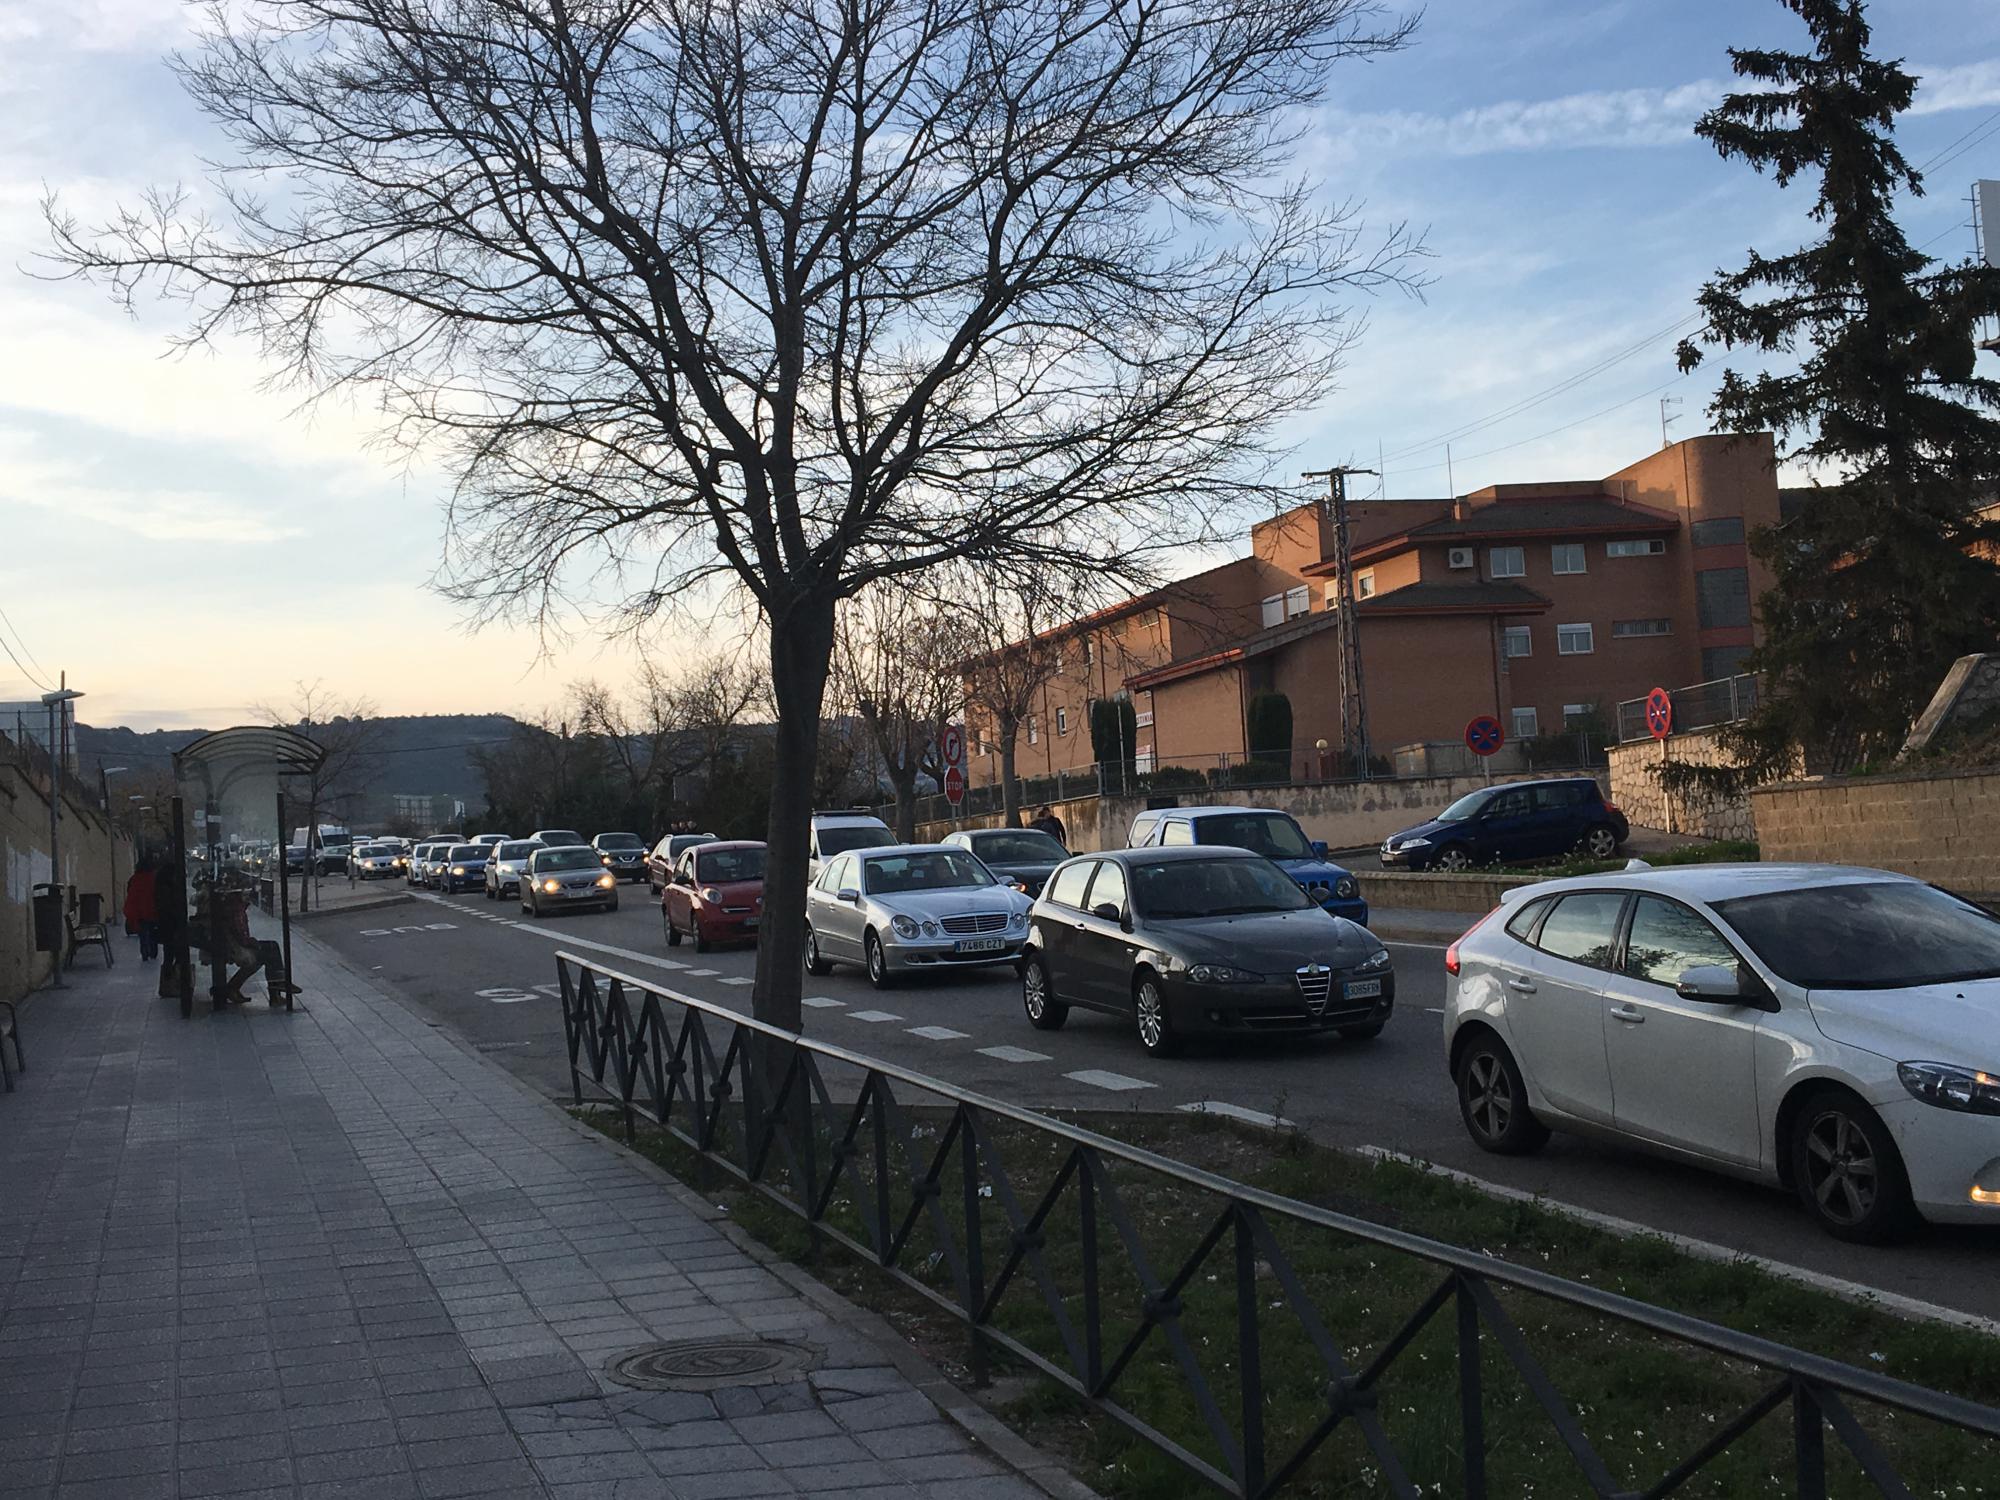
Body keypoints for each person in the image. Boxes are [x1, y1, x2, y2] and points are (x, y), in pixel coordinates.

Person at [154, 853, 189, 1000]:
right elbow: (169, 907)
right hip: (170, 925)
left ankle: (170, 982)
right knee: (173, 954)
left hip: (167, 925)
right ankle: (171, 983)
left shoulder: (162, 887)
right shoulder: (167, 890)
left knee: (170, 954)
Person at [125, 855, 160, 962]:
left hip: (139, 911)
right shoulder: (154, 878)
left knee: (143, 933)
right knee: (153, 932)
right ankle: (153, 952)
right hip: (152, 910)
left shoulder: (135, 879)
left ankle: (145, 953)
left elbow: (130, 893)